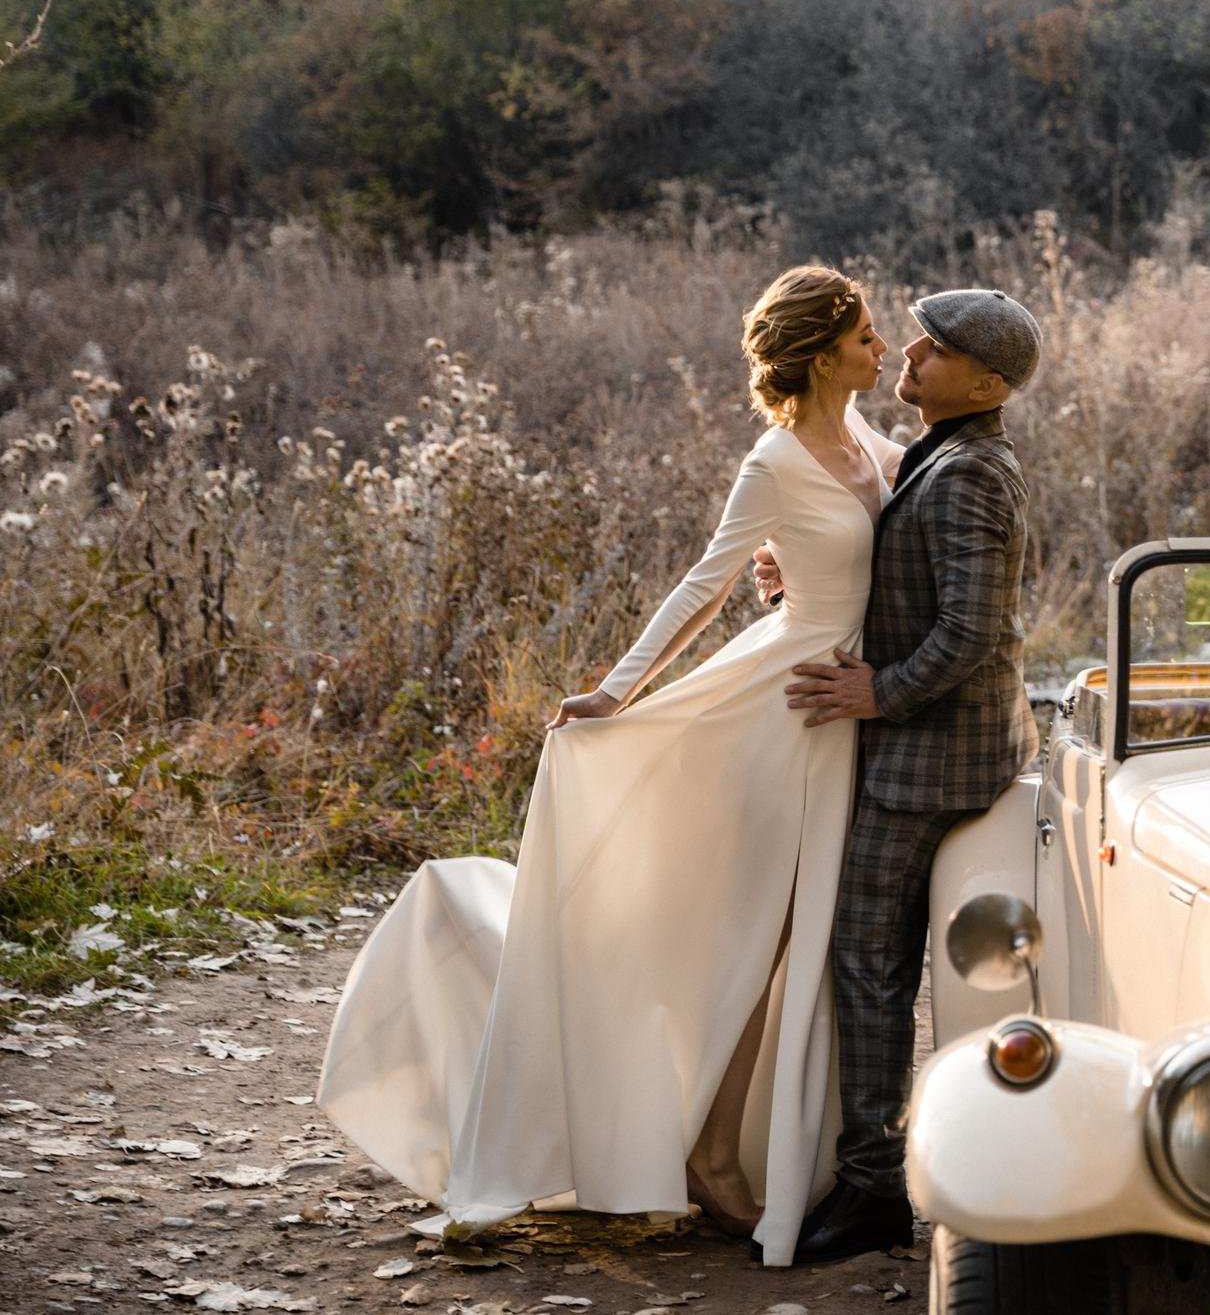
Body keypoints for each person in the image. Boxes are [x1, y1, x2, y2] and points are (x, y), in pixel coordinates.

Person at [317, 266, 905, 1267]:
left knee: (799, 943)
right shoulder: (772, 461)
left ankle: (739, 1145)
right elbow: (702, 583)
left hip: (850, 710)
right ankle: (710, 1153)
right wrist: (617, 693)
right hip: (777, 714)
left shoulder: (880, 447)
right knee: (762, 939)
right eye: (863, 338)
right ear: (820, 353)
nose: (880, 351)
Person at [759, 288, 1042, 1264]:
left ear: (988, 382)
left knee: (868, 964)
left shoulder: (973, 473)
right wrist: (794, 571)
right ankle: (877, 1168)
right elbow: (893, 560)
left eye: (942, 345)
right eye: (917, 336)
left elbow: (973, 629)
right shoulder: (941, 450)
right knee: (870, 965)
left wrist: (881, 694)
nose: (914, 350)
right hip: (936, 744)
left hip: (930, 762)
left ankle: (877, 1188)